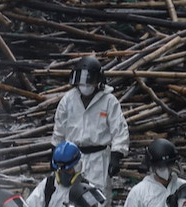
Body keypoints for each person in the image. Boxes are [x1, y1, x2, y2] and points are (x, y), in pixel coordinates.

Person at [52, 56, 129, 197]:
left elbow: (119, 130)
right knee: (67, 193)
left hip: (98, 157)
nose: (85, 86)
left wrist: (116, 155)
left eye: (90, 82)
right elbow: (59, 129)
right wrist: (55, 150)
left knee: (98, 195)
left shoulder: (109, 101)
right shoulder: (68, 100)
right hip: (72, 157)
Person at [123, 138, 186, 207]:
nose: (166, 169)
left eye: (169, 164)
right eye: (161, 166)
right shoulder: (139, 192)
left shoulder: (183, 187)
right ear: (152, 167)